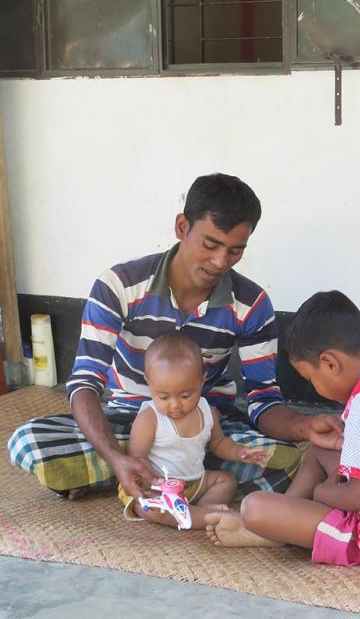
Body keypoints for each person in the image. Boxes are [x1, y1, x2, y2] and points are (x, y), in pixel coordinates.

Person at [8, 173, 342, 502]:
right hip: (128, 423)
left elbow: (263, 400)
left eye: (235, 251)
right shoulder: (119, 285)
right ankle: (148, 472)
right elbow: (83, 384)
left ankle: (131, 478)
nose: (219, 262)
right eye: (210, 245)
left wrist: (304, 428)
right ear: (182, 226)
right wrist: (116, 454)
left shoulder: (251, 304)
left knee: (286, 460)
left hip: (209, 428)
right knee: (27, 441)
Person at [204, 291, 360, 567]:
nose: (314, 387)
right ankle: (286, 520)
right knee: (320, 447)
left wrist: (321, 492)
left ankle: (280, 527)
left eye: (311, 379)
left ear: (330, 363)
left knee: (254, 507)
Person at [121, 332, 271, 530]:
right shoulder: (150, 418)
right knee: (150, 508)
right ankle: (213, 518)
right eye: (163, 397)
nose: (175, 405)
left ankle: (205, 507)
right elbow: (137, 459)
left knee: (226, 480)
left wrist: (240, 453)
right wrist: (153, 482)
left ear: (202, 380)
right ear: (149, 382)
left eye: (185, 395)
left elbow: (218, 443)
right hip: (160, 489)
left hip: (196, 482)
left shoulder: (207, 411)